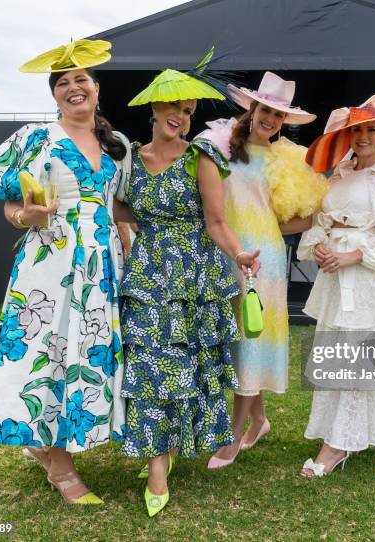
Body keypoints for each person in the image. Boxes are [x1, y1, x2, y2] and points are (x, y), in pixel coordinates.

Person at [0, 39, 130, 504]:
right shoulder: (34, 138)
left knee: (83, 353)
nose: (73, 87)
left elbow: (115, 207)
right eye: (63, 82)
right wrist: (28, 217)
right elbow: (7, 200)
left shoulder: (115, 146)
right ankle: (58, 466)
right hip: (51, 261)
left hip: (101, 266)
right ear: (55, 95)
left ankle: (47, 440)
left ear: (97, 89)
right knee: (46, 350)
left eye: (81, 79)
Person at [116, 49, 260, 516]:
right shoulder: (129, 162)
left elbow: (217, 223)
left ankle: (166, 449)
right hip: (147, 276)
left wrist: (239, 254)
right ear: (155, 109)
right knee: (149, 367)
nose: (181, 116)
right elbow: (120, 212)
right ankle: (158, 464)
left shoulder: (201, 158)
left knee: (183, 370)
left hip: (196, 278)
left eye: (189, 110)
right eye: (174, 108)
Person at [200, 72, 328, 468]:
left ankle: (233, 438)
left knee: (251, 341)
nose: (271, 120)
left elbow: (299, 219)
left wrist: (279, 223)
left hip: (263, 262)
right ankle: (259, 420)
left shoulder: (286, 160)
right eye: (266, 110)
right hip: (223, 252)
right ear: (252, 109)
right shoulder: (220, 147)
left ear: (285, 122)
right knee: (237, 342)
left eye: (279, 115)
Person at [297, 91, 375, 477]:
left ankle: (336, 447)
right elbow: (320, 220)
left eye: (371, 129)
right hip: (334, 275)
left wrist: (354, 255)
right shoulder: (340, 173)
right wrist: (321, 249)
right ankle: (344, 434)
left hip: (365, 278)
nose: (363, 136)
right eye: (357, 129)